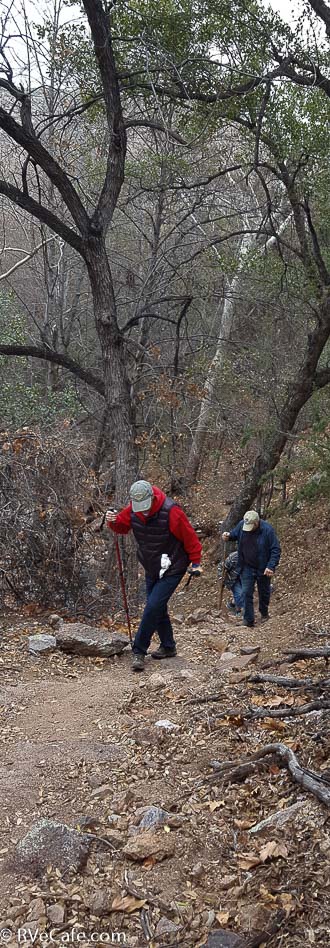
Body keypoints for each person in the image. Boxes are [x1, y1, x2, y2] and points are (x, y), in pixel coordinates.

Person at [106, 480, 202, 671]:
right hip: (151, 566)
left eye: (146, 507)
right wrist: (112, 520)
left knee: (152, 605)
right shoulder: (133, 510)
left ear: (152, 497)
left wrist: (196, 562)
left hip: (174, 566)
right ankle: (168, 646)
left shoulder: (171, 511)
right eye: (139, 508)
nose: (143, 512)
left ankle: (139, 651)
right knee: (157, 607)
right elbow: (122, 527)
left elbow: (190, 537)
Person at [222, 510, 281, 628]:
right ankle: (248, 620)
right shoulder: (242, 525)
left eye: (251, 526)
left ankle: (264, 613)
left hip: (263, 567)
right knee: (246, 592)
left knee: (264, 592)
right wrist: (228, 536)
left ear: (256, 523)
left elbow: (276, 549)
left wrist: (270, 566)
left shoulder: (267, 530)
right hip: (246, 565)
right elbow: (234, 534)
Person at [218, 551, 244, 616]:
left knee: (245, 592)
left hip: (244, 577)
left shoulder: (252, 556)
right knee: (239, 593)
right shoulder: (234, 557)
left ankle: (232, 604)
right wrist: (221, 578)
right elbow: (221, 567)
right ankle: (239, 611)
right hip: (232, 579)